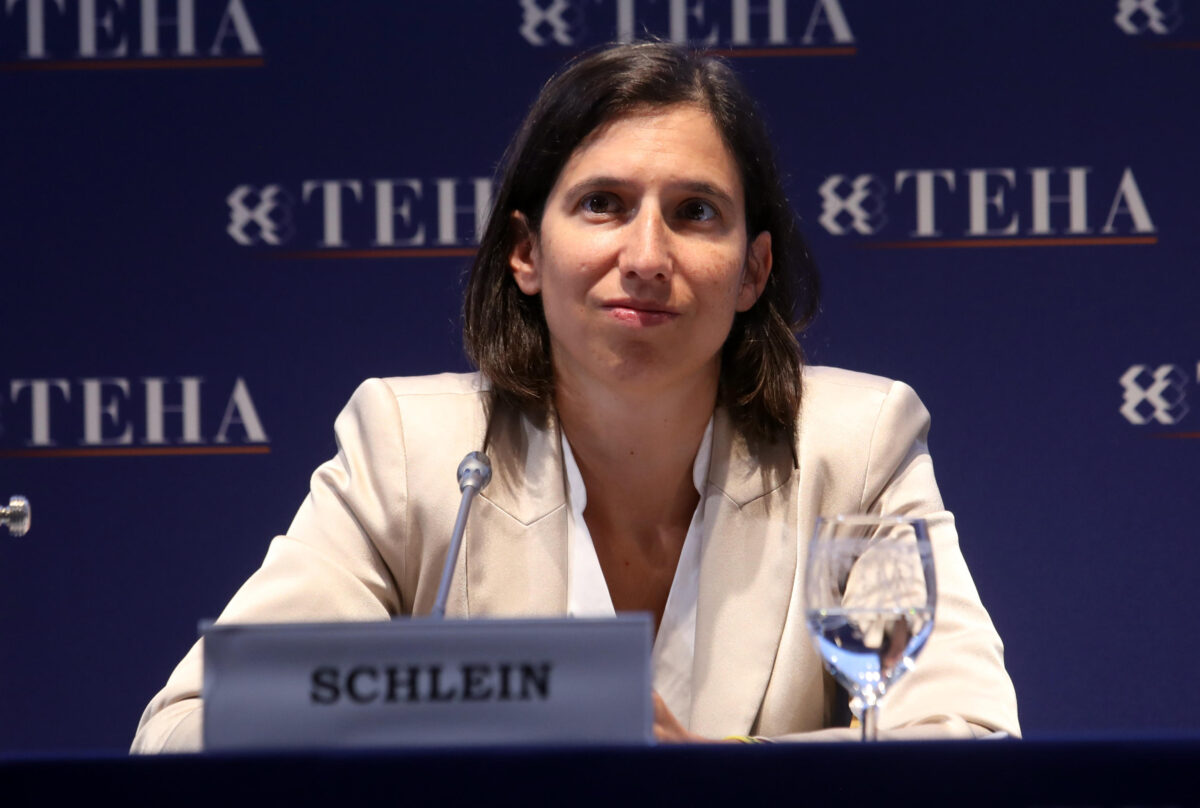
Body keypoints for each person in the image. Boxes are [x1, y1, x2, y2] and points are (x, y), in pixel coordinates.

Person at [132, 41, 1019, 752]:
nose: (646, 256)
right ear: (526, 252)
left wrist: (715, 768)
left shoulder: (854, 446)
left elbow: (971, 738)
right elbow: (182, 733)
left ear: (753, 270)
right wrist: (471, 734)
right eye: (603, 203)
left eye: (695, 212)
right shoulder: (414, 451)